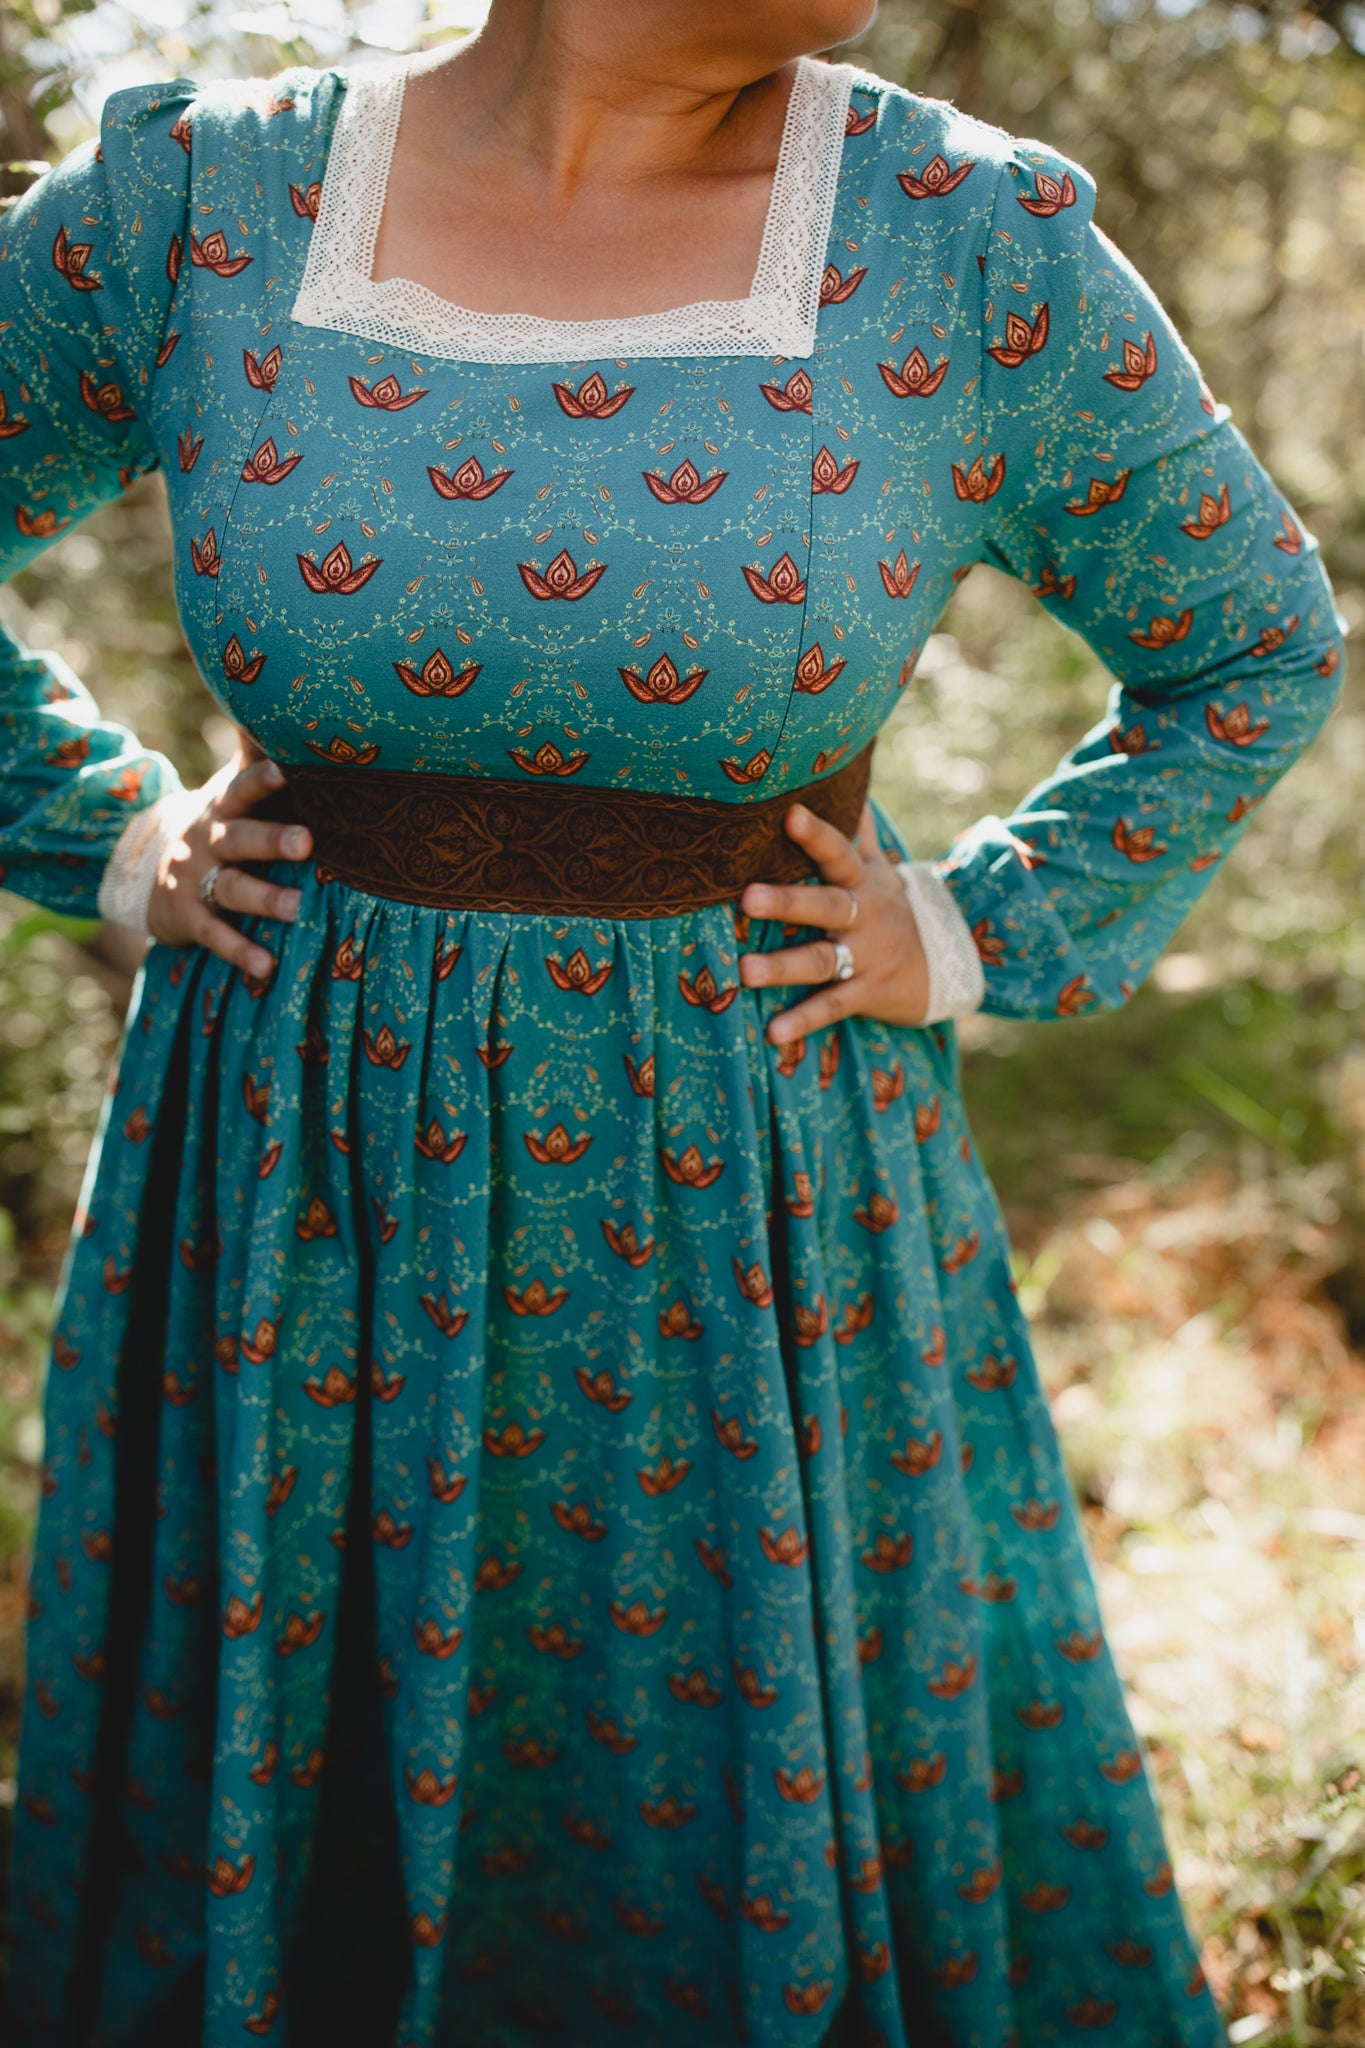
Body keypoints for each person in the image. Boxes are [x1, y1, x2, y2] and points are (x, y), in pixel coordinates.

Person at [1, 0, 1344, 2042]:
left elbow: (1246, 640)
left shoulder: (960, 239)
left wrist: (983, 920)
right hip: (291, 1188)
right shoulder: (199, 199)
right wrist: (102, 838)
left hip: (746, 1200)